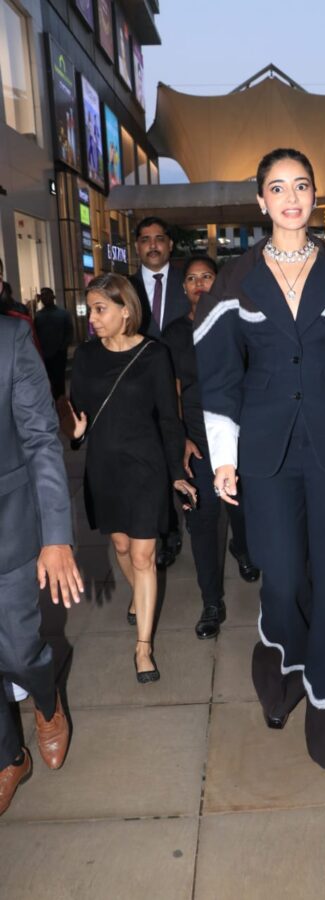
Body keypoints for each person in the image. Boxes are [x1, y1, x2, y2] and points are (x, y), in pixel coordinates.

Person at [194, 148, 325, 773]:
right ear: (261, 200)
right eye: (278, 187)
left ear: (315, 196)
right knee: (281, 581)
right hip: (266, 452)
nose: (291, 197)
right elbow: (220, 376)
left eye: (302, 185)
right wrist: (223, 458)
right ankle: (284, 670)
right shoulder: (235, 279)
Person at [62, 274, 195, 683]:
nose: (92, 318)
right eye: (90, 310)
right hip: (104, 467)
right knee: (121, 545)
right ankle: (139, 594)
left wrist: (176, 473)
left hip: (145, 467)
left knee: (143, 557)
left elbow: (169, 420)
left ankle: (143, 648)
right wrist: (75, 433)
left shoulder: (155, 355)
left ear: (125, 310)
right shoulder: (86, 356)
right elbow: (76, 414)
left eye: (100, 309)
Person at [0, 316, 83, 816]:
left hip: (8, 529)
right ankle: (9, 757)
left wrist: (56, 537)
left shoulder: (10, 341)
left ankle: (46, 701)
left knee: (18, 647)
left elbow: (41, 441)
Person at [163, 255, 259, 640]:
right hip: (198, 439)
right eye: (191, 278)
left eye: (206, 276)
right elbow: (170, 393)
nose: (199, 283)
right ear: (183, 288)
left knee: (244, 506)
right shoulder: (173, 335)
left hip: (242, 433)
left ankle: (243, 548)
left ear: (219, 282)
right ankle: (211, 602)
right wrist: (180, 438)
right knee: (203, 519)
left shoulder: (241, 323)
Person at [129, 217, 189, 569]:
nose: (153, 245)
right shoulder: (125, 288)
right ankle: (167, 532)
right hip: (142, 393)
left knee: (187, 456)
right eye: (145, 239)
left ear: (170, 244)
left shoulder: (188, 282)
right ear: (137, 246)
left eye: (159, 238)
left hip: (187, 387)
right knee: (153, 466)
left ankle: (198, 517)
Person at [34, 287, 74, 399]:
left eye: (47, 295)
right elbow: (35, 334)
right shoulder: (38, 315)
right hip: (44, 354)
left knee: (59, 380)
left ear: (53, 297)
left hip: (59, 353)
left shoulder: (63, 314)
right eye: (42, 295)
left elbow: (69, 332)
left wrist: (63, 346)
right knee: (46, 380)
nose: (44, 297)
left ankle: (61, 402)